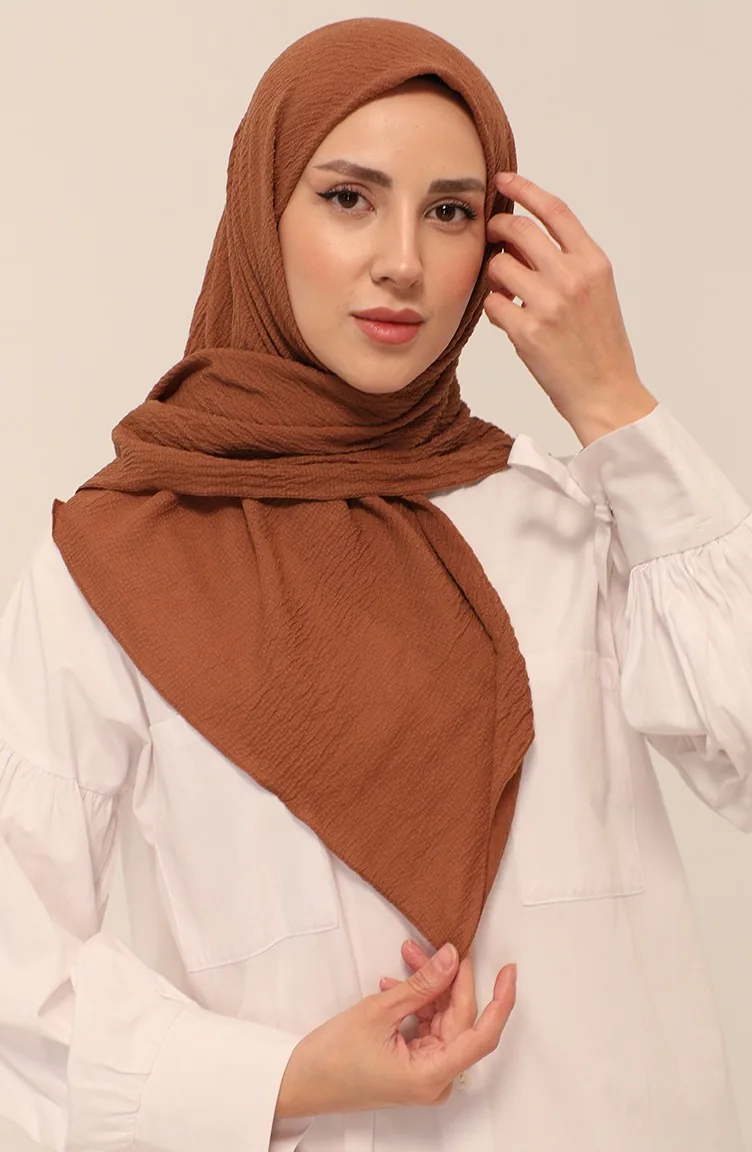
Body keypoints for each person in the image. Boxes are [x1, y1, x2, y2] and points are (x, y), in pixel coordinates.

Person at [1, 14, 750, 1152]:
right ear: (262, 212)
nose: (403, 259)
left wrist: (615, 407)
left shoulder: (562, 515)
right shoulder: (113, 566)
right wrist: (279, 1079)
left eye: (448, 212)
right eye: (348, 197)